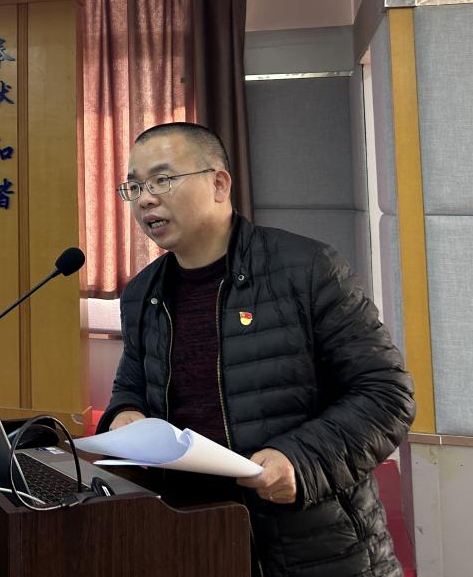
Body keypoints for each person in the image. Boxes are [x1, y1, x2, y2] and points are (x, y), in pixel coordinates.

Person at [98, 122, 414, 577]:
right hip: (194, 540)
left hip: (317, 546)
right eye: (134, 186)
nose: (145, 199)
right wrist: (124, 414)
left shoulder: (307, 269)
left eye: (162, 180)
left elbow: (386, 394)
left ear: (219, 184)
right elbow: (131, 386)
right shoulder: (143, 294)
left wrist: (299, 460)